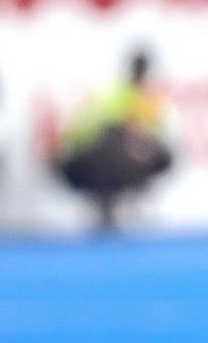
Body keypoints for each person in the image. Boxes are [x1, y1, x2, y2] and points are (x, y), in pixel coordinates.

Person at [55, 50, 173, 231]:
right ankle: (106, 201)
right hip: (84, 159)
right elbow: (97, 131)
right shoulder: (117, 93)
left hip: (85, 154)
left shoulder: (143, 96)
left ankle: (125, 196)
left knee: (153, 152)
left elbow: (155, 133)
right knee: (115, 148)